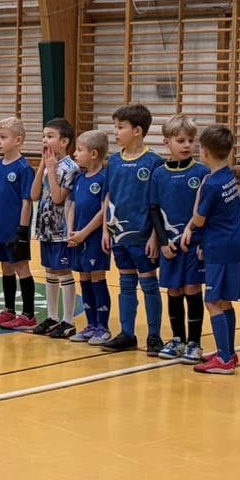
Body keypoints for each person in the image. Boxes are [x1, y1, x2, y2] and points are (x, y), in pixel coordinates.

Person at [103, 104, 165, 354]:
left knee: (149, 284)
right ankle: (127, 333)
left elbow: (158, 204)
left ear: (137, 130)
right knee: (126, 283)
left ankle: (154, 335)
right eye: (115, 127)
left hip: (143, 236)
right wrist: (106, 230)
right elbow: (108, 197)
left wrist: (155, 237)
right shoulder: (114, 161)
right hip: (119, 234)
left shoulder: (154, 162)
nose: (115, 132)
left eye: (120, 127)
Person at [188, 123, 240, 374]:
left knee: (212, 301)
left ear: (204, 152)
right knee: (225, 301)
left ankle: (224, 359)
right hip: (234, 244)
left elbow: (199, 220)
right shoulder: (228, 176)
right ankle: (228, 352)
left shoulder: (211, 184)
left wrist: (198, 195)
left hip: (219, 248)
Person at [150, 119, 205, 359]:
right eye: (180, 141)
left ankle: (194, 342)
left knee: (192, 288)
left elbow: (206, 211)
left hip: (194, 244)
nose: (186, 145)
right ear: (167, 142)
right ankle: (177, 339)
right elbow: (154, 210)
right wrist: (163, 243)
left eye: (191, 141)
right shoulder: (159, 174)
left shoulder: (201, 172)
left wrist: (202, 241)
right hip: (170, 245)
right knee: (173, 289)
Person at [31, 119, 78, 338]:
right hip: (45, 228)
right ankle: (52, 316)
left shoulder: (70, 168)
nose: (44, 140)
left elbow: (59, 198)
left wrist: (51, 169)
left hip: (61, 229)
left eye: (50, 136)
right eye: (44, 136)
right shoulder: (48, 164)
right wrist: (43, 166)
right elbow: (34, 194)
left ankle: (68, 320)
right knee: (50, 270)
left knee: (62, 271)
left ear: (64, 141)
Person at [0, 118, 35, 330]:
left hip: (15, 229)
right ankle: (9, 310)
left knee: (21, 267)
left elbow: (27, 202)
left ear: (18, 140)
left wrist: (22, 230)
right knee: (5, 267)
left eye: (3, 137)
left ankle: (29, 314)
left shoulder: (24, 168)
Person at [66, 130, 112, 344]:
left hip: (94, 238)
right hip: (78, 237)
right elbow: (73, 205)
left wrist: (84, 233)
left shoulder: (104, 178)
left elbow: (104, 210)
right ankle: (91, 324)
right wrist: (71, 230)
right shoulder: (80, 178)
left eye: (79, 150)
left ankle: (103, 327)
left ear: (94, 154)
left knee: (96, 278)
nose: (75, 154)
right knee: (83, 278)